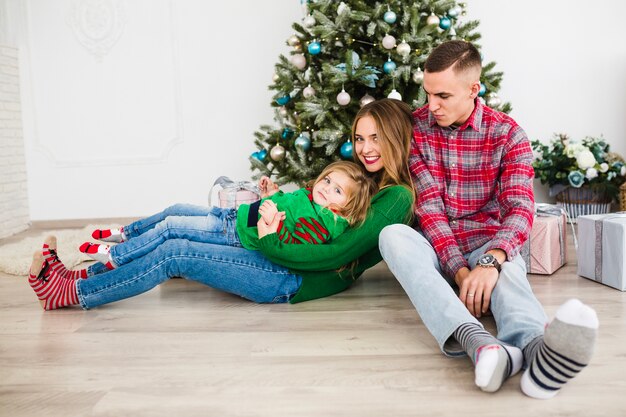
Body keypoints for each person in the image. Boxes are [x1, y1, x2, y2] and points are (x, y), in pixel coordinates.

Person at [27, 98, 416, 312]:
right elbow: (310, 216)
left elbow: (336, 253)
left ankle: (71, 293)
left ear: (396, 138)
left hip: (291, 278)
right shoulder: (371, 179)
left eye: (376, 138)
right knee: (172, 234)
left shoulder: (396, 196)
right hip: (280, 255)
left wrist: (268, 240)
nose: (365, 148)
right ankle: (79, 280)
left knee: (173, 252)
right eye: (360, 137)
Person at [378, 40, 598, 399]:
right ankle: (480, 345)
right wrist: (459, 271)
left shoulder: (509, 135)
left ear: (473, 89)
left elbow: (520, 210)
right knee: (392, 236)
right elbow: (429, 209)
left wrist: (489, 262)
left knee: (508, 272)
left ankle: (536, 353)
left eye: (443, 96)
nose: (431, 106)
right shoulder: (415, 129)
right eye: (428, 94)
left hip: (487, 242)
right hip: (435, 246)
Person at [77, 161, 377, 271]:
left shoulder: (321, 223)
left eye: (337, 191)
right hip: (233, 216)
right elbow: (286, 206)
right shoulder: (311, 198)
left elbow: (293, 244)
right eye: (327, 181)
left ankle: (118, 255)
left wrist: (271, 221)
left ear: (346, 207)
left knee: (171, 228)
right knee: (174, 209)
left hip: (234, 233)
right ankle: (128, 233)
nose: (326, 189)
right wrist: (273, 194)